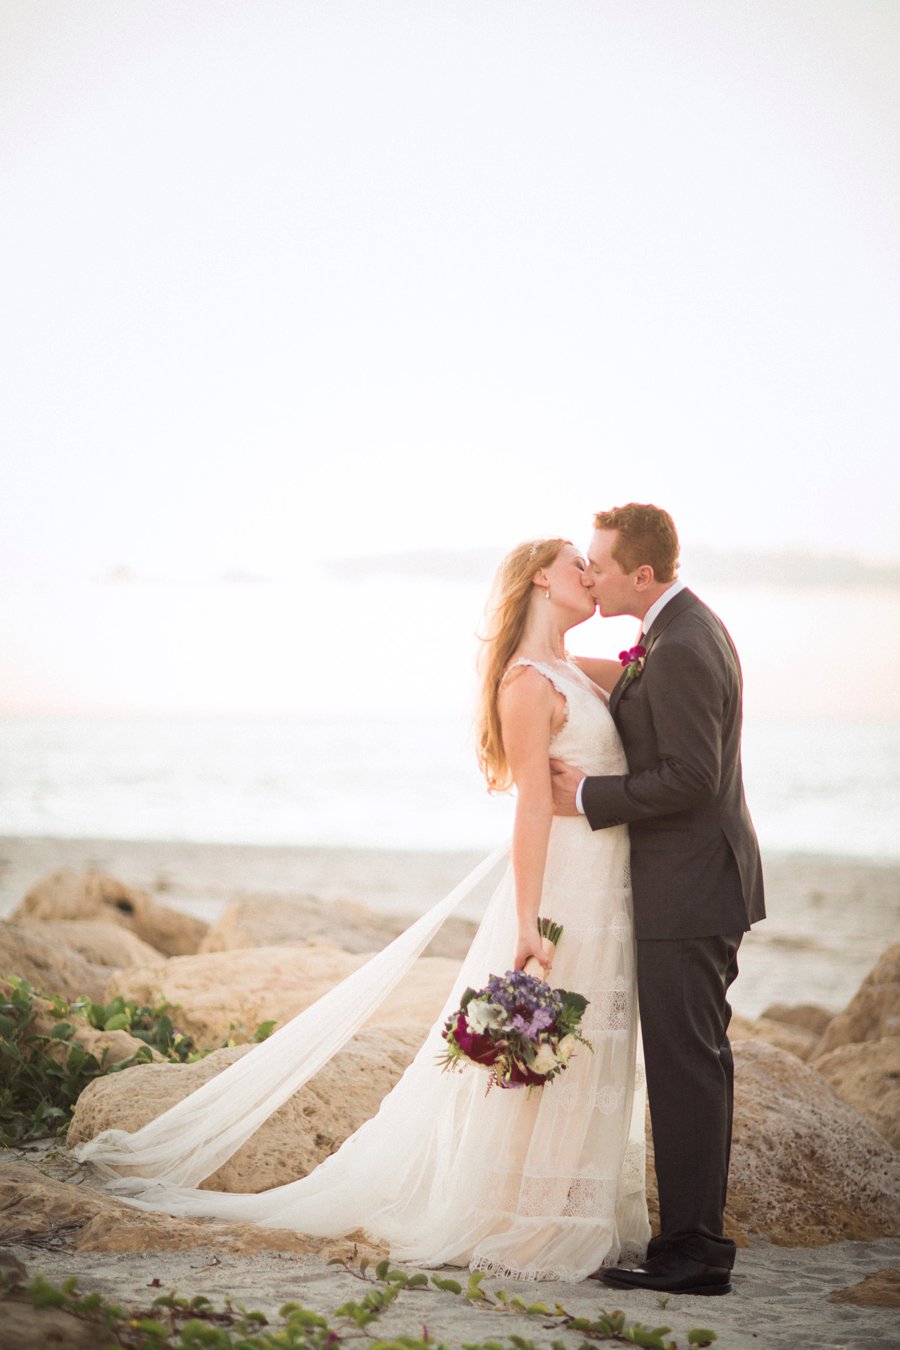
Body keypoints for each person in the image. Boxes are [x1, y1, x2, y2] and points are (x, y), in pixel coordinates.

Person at [71, 537, 650, 1282]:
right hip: (566, 887)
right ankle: (524, 1227)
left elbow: (651, 675)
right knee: (542, 1060)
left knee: (589, 1054)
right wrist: (530, 922)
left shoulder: (579, 671)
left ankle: (563, 1215)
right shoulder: (527, 684)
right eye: (577, 562)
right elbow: (532, 807)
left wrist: (650, 621)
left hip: (608, 885)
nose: (588, 574)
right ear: (540, 576)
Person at [551, 503, 765, 1297]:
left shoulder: (682, 646)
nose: (592, 576)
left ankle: (693, 1252)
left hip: (692, 889)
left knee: (687, 1071)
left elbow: (691, 777)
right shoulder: (675, 635)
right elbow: (636, 694)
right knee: (694, 1066)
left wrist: (588, 796)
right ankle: (694, 1242)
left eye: (601, 566)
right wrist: (546, 662)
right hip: (695, 884)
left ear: (642, 574)